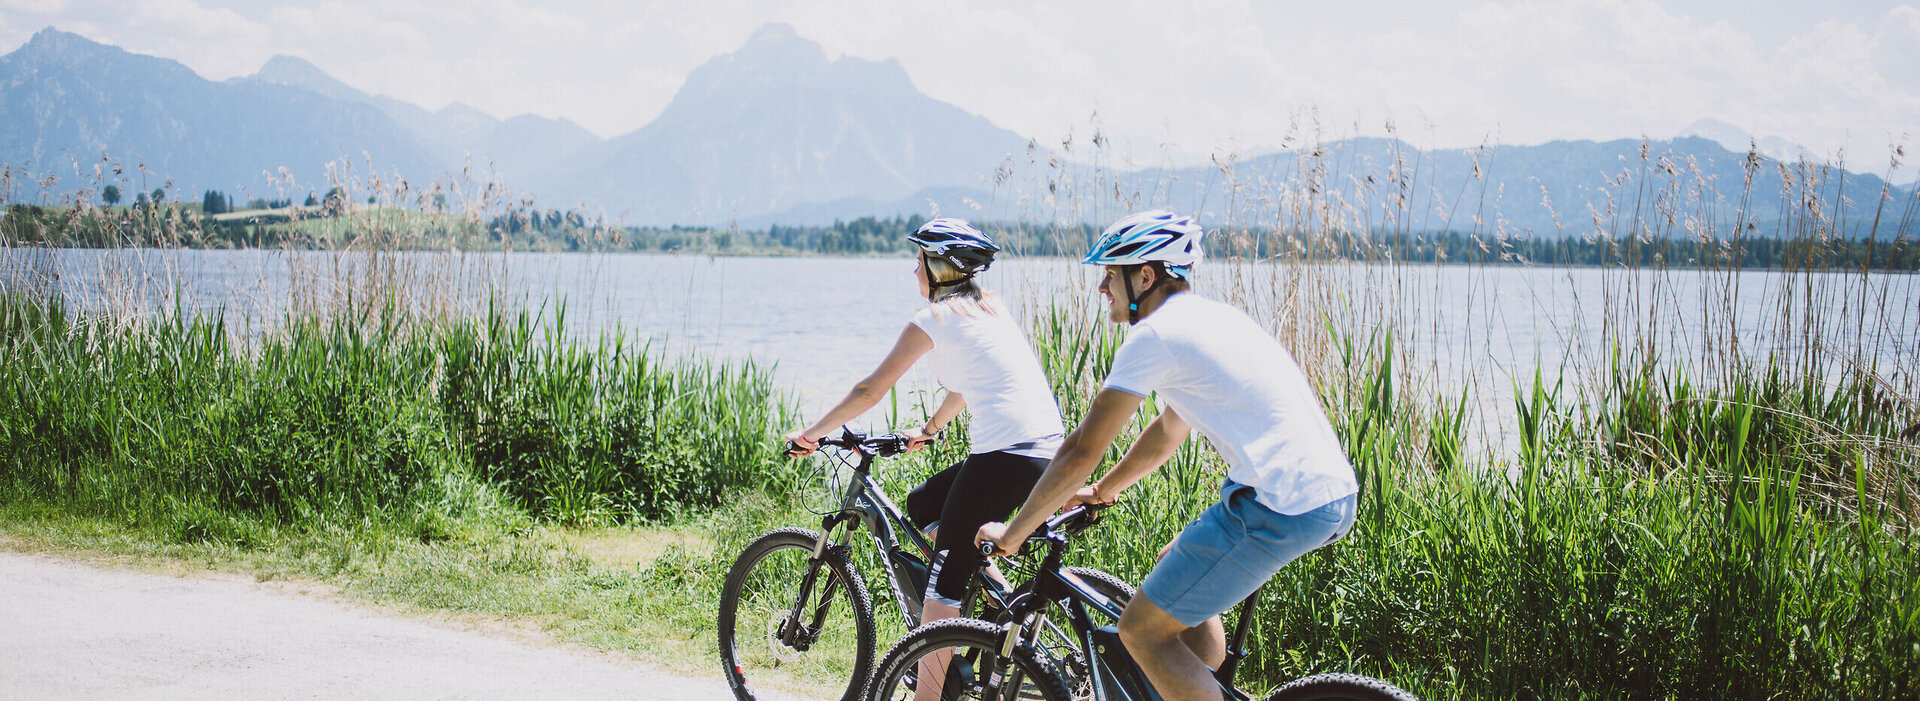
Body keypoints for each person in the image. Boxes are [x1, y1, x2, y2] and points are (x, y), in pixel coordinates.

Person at [975, 210, 1358, 701]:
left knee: (1140, 631)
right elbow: (1167, 430)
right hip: (1327, 495)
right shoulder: (1215, 319)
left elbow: (1080, 450)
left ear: (1146, 276)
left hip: (1278, 504)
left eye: (1110, 274)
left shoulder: (1153, 335)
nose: (1101, 288)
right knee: (1173, 566)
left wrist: (1014, 532)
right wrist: (1103, 491)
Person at [782, 218, 1065, 701]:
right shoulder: (990, 309)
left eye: (920, 261)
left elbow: (870, 389)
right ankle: (997, 608)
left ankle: (928, 693)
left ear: (940, 268)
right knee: (923, 504)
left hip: (1006, 456)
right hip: (1043, 451)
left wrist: (812, 434)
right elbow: (965, 383)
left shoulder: (932, 319)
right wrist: (929, 430)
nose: (914, 270)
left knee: (941, 592)